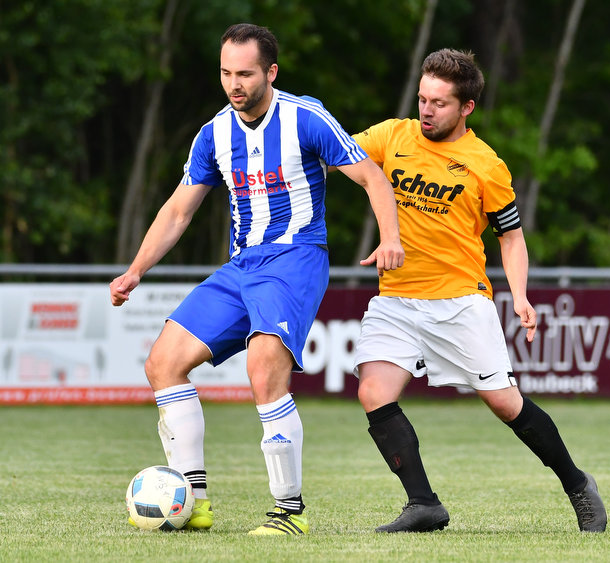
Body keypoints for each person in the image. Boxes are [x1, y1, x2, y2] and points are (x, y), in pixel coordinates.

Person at [110, 23, 404, 536]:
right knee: (163, 364)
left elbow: (372, 177)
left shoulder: (305, 118)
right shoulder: (213, 133)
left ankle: (290, 512)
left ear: (271, 71)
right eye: (226, 72)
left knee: (264, 368)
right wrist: (136, 269)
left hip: (294, 259)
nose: (234, 83)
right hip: (241, 265)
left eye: (244, 73)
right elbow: (179, 211)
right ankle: (193, 502)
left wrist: (390, 237)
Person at [350, 48, 607, 533]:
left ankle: (577, 485)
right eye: (423, 99)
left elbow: (510, 237)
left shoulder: (486, 164)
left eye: (439, 103)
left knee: (505, 403)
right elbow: (336, 153)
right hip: (396, 298)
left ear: (466, 107)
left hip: (460, 301)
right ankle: (424, 504)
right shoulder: (391, 135)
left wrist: (523, 296)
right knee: (373, 392)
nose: (426, 110)